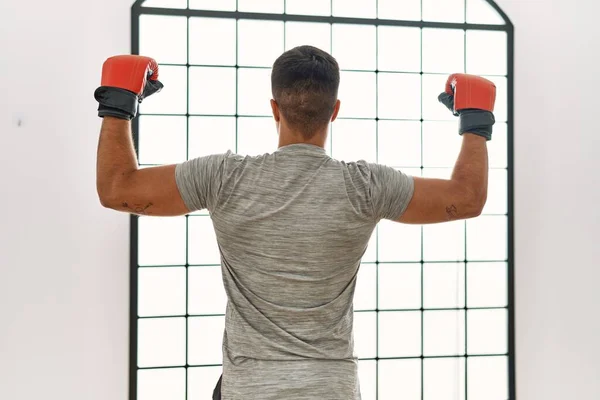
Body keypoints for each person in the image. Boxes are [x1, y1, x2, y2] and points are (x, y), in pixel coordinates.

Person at [94, 46, 496, 400]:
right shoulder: (366, 186)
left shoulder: (224, 178)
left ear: (274, 108)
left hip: (250, 389)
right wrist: (475, 122)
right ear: (334, 111)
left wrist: (118, 103)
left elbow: (118, 189)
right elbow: (465, 199)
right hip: (331, 388)